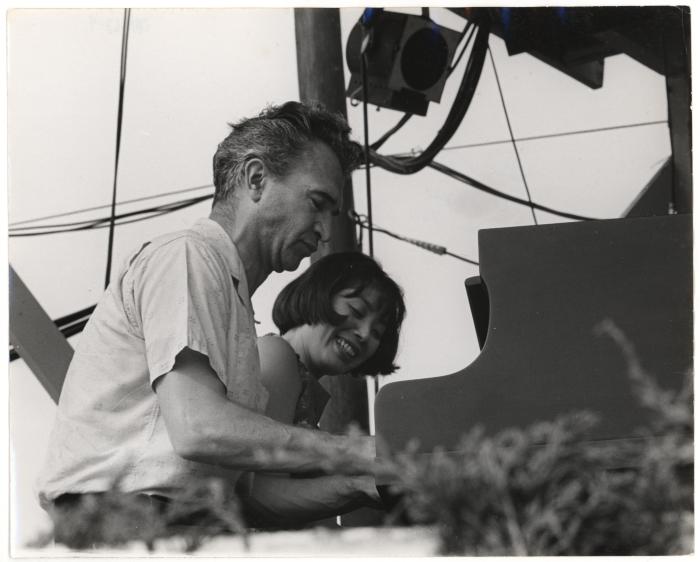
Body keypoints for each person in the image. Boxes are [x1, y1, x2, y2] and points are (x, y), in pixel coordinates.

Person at [35, 101, 370, 523]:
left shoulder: (230, 299)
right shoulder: (187, 256)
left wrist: (364, 484)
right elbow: (199, 427)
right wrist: (359, 450)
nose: (324, 230)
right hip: (128, 522)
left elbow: (250, 496)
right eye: (317, 203)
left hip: (179, 525)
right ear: (256, 178)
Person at [238, 252, 406, 528]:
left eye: (377, 332)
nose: (364, 334)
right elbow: (259, 494)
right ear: (318, 294)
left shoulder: (298, 377)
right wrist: (361, 486)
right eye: (356, 312)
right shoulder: (278, 355)